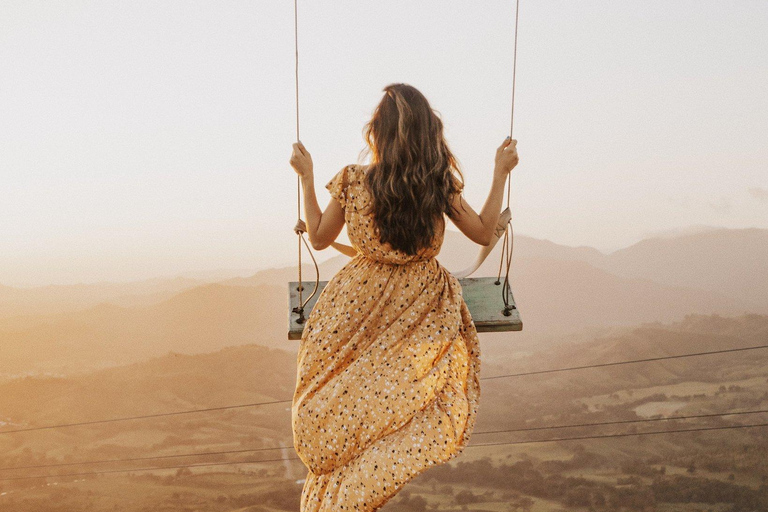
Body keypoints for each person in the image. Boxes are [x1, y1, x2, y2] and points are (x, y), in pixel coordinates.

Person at [288, 83, 519, 512]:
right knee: (401, 397)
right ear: (429, 134)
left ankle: (342, 479)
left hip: (358, 299)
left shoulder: (355, 181)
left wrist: (306, 177)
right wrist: (500, 171)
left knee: (340, 393)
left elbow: (319, 239)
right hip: (419, 301)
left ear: (378, 133)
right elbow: (486, 232)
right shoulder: (437, 184)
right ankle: (364, 483)